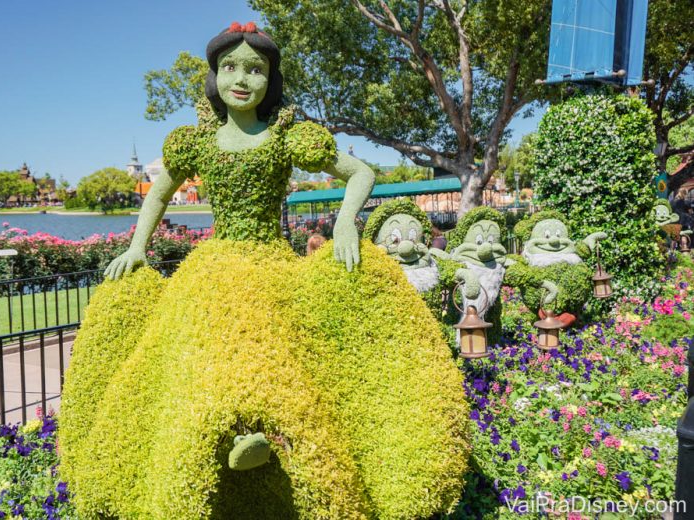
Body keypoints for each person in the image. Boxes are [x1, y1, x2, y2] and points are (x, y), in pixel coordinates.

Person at [60, 23, 468, 519]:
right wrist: (137, 247)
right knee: (203, 355)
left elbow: (362, 172)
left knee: (278, 350)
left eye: (255, 69)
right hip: (212, 269)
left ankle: (274, 449)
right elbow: (161, 192)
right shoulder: (198, 143)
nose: (242, 78)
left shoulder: (284, 137)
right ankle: (208, 452)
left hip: (270, 266)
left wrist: (345, 225)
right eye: (230, 66)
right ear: (215, 76)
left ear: (269, 79)